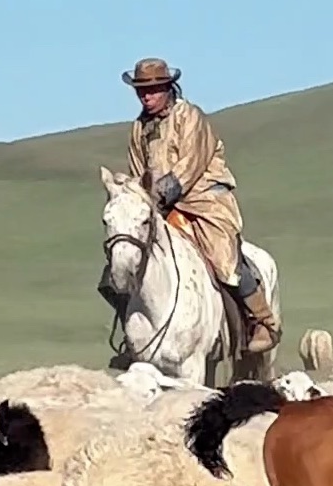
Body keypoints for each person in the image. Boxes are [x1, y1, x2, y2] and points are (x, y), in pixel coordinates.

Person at [110, 57, 279, 354]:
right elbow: (139, 172)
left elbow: (190, 164)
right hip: (158, 206)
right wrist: (140, 200)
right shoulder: (138, 128)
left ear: (167, 87)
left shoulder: (190, 117)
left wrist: (159, 195)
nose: (146, 96)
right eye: (141, 91)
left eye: (152, 89)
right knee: (124, 259)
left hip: (203, 198)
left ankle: (263, 321)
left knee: (223, 256)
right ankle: (137, 336)